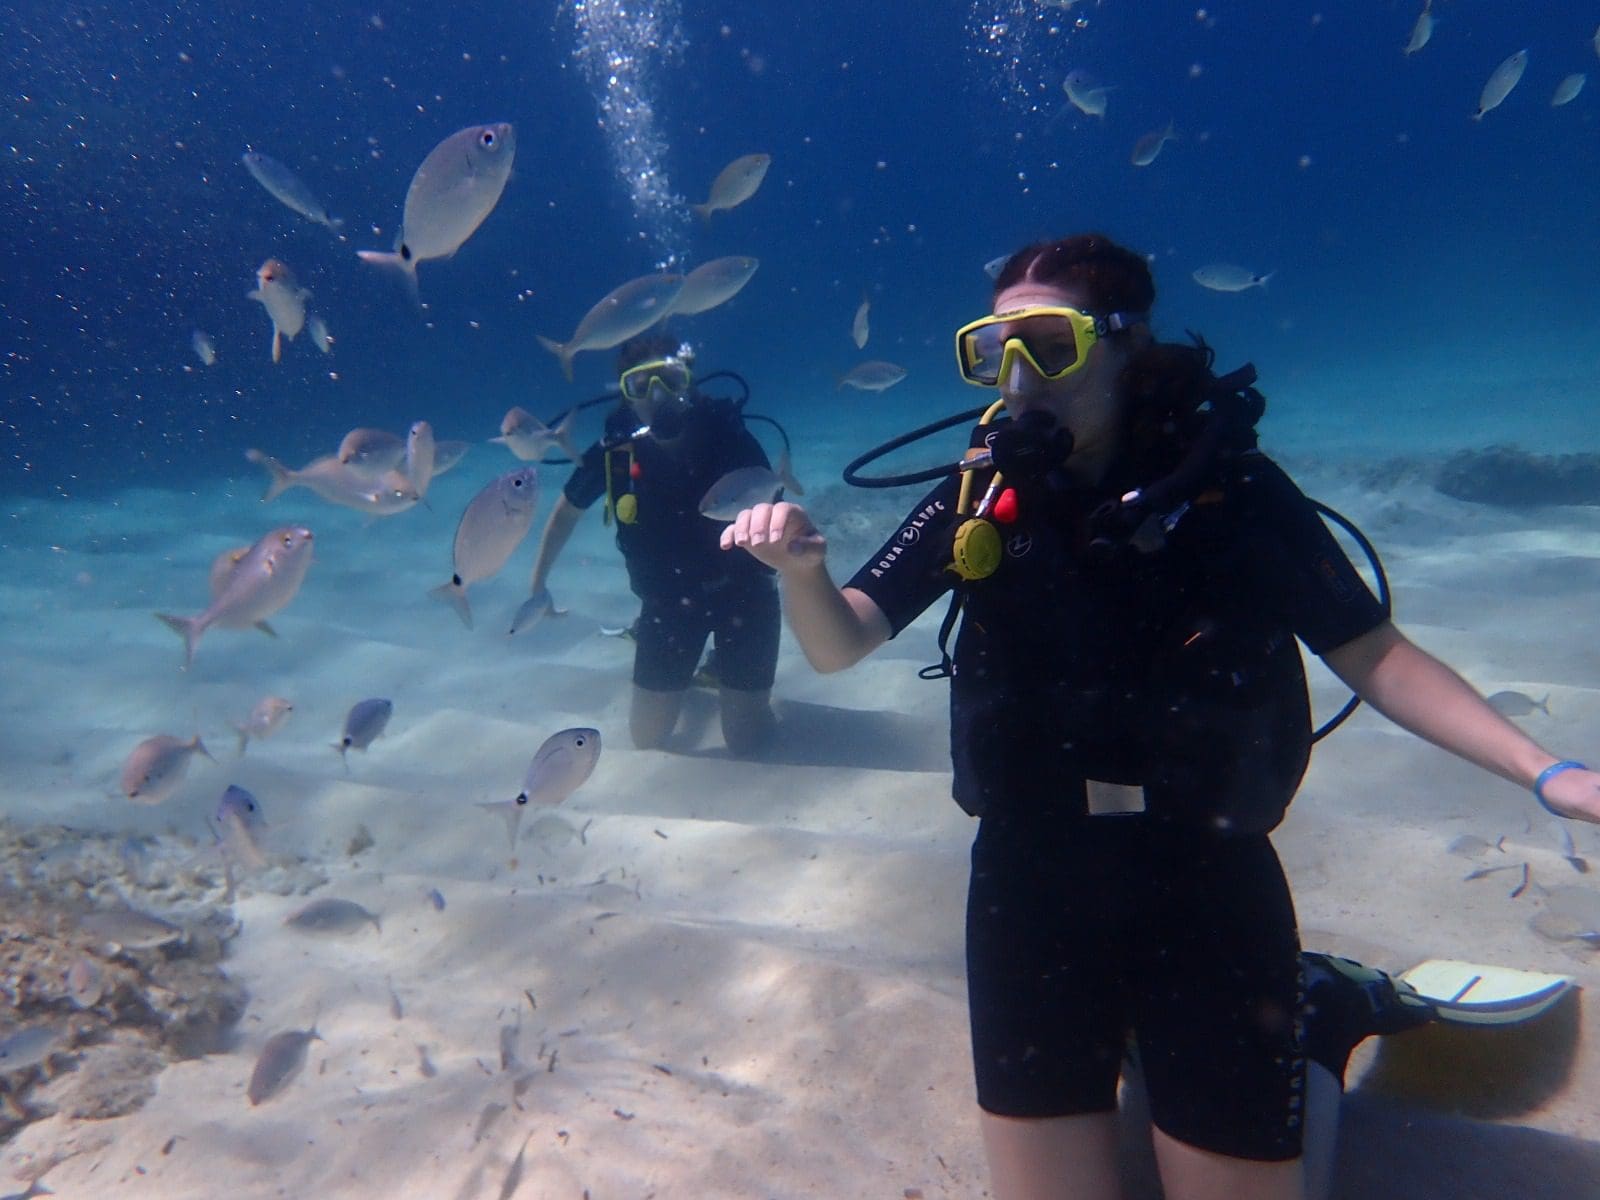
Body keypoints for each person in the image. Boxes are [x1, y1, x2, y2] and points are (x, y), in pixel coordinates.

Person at [720, 233, 1600, 1200]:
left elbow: (1376, 657)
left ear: (1125, 344)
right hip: (1029, 876)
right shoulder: (981, 495)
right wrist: (801, 575)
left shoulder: (1234, 496)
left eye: (1047, 343)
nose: (1016, 376)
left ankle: (1316, 1014)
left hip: (1204, 877)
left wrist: (1546, 771)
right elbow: (842, 641)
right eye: (991, 349)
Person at [525, 331, 780, 756]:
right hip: (668, 604)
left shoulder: (730, 438)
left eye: (670, 379)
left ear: (690, 383)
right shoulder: (616, 453)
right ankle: (701, 671)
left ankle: (729, 677)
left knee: (746, 742)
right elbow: (567, 510)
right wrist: (538, 586)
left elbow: (776, 510)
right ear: (626, 396)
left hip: (747, 599)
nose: (658, 395)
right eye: (641, 385)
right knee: (647, 740)